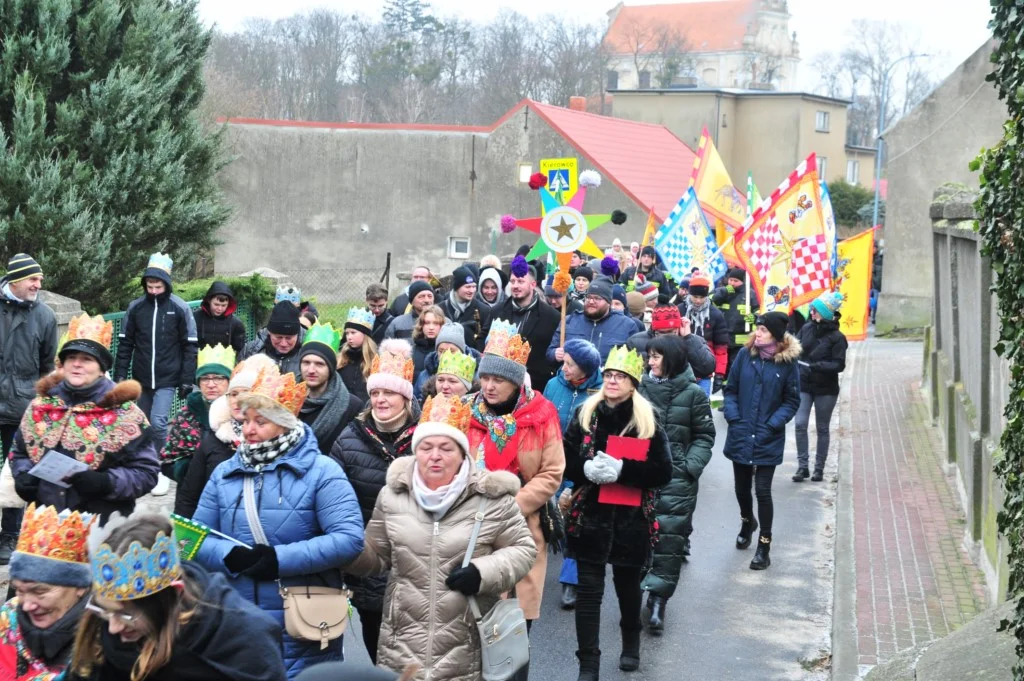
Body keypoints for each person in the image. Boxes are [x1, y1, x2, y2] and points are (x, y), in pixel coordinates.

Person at [344, 394, 536, 681]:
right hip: (403, 639)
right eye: (426, 447)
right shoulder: (393, 495)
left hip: (468, 639)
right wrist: (345, 546)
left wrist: (482, 573)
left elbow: (523, 549)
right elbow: (377, 554)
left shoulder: (491, 497)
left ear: (462, 454)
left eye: (446, 448)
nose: (435, 456)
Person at [193, 363, 365, 679]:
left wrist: (277, 560)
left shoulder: (321, 471)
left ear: (285, 424)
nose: (249, 430)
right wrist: (228, 556)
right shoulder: (225, 473)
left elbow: (349, 538)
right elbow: (193, 538)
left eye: (261, 421)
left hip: (302, 621)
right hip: (238, 618)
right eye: (245, 421)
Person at [68, 512, 287, 681]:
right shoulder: (104, 629)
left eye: (126, 615)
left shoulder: (246, 639)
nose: (113, 628)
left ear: (176, 593)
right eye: (106, 612)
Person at [562, 346, 672, 679]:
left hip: (631, 522)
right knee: (589, 594)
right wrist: (585, 469)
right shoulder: (585, 413)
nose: (612, 381)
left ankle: (630, 642)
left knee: (627, 591)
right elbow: (563, 458)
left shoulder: (646, 420)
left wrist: (624, 470)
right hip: (589, 517)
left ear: (633, 383)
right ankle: (589, 663)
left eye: (620, 376)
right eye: (609, 375)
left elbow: (663, 472)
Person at [467, 321, 563, 677]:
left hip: (521, 533)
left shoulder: (541, 415)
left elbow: (551, 473)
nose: (489, 386)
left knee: (513, 637)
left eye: (499, 380)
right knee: (471, 634)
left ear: (516, 381)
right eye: (485, 378)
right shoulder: (466, 414)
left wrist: (510, 506)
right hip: (471, 534)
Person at [11, 313, 158, 521]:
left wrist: (106, 482)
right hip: (44, 523)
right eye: (71, 358)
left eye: (87, 359)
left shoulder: (126, 414)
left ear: (101, 369)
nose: (77, 364)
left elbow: (147, 473)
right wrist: (23, 476)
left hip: (101, 525)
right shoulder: (40, 405)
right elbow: (19, 452)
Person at [329, 340, 418, 664]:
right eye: (376, 393)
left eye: (389, 393)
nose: (381, 399)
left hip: (417, 562)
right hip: (370, 562)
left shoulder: (427, 437)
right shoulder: (350, 437)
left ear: (405, 397)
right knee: (379, 652)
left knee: (415, 655)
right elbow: (334, 498)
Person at [637, 335, 715, 633]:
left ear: (671, 359)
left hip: (677, 479)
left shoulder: (694, 393)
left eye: (656, 356)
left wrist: (688, 468)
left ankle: (658, 602)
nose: (651, 361)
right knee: (639, 539)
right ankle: (636, 595)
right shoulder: (640, 389)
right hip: (641, 475)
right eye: (650, 356)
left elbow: (705, 436)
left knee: (670, 540)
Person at [724, 311, 801, 571]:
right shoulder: (746, 355)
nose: (758, 333)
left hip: (768, 434)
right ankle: (747, 521)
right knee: (741, 489)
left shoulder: (788, 363)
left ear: (776, 336)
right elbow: (731, 389)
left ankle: (764, 546)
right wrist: (734, 417)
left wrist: (773, 424)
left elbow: (792, 400)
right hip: (742, 430)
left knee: (763, 491)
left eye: (764, 330)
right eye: (757, 328)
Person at [0, 254, 57, 565]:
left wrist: (45, 407)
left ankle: (10, 535)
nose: (38, 285)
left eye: (40, 280)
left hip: (23, 406)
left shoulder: (45, 316)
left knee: (16, 473)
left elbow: (48, 367)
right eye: (33, 279)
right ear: (15, 281)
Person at [113, 252, 198, 457]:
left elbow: (190, 346)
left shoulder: (179, 307)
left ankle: (160, 461)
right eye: (150, 287)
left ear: (166, 285)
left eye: (158, 287)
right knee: (144, 422)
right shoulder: (135, 308)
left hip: (168, 377)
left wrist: (186, 379)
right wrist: (120, 376)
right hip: (142, 378)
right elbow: (125, 345)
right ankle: (147, 461)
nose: (153, 291)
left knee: (159, 423)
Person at [173, 354, 276, 519]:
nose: (238, 400)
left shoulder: (277, 441)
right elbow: (189, 496)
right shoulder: (213, 440)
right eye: (233, 394)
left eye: (246, 393)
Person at [0, 504, 95, 680]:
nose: (27, 605)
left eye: (40, 591)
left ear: (80, 586)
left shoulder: (106, 634)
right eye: (19, 590)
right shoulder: (8, 617)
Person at [542, 339, 602, 610]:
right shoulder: (553, 385)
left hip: (580, 465)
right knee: (547, 519)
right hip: (550, 461)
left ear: (586, 369)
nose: (563, 368)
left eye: (570, 364)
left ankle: (570, 580)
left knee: (574, 523)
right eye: (564, 362)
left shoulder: (599, 394)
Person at [793, 291, 848, 482]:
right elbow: (796, 348)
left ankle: (819, 469)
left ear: (824, 313)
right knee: (800, 424)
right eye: (812, 309)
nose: (812, 311)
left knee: (822, 427)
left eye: (816, 310)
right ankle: (802, 467)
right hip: (805, 385)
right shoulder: (806, 328)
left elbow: (839, 364)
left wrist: (819, 367)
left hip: (826, 389)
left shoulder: (837, 338)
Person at [160, 344, 235, 482]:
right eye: (205, 378)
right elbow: (168, 461)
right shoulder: (186, 416)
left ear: (229, 382)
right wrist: (190, 471)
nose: (211, 384)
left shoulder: (239, 414)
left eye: (218, 378)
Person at [492, 256, 560, 392]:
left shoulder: (551, 316)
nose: (515, 286)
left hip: (536, 386)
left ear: (533, 284)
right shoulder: (497, 311)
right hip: (501, 384)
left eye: (520, 281)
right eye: (512, 281)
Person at [298, 323, 363, 455]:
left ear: (331, 368)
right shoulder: (287, 400)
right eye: (306, 362)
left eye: (319, 364)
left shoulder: (351, 407)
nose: (311, 370)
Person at [550, 281, 638, 364]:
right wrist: (555, 354)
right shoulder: (570, 320)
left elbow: (634, 359)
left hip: (607, 379)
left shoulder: (627, 325)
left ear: (608, 302)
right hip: (570, 377)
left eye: (597, 298)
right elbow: (550, 352)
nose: (591, 302)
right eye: (588, 297)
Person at [625, 305, 715, 378]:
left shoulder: (692, 340)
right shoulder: (635, 342)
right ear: (654, 330)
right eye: (661, 332)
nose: (666, 336)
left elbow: (706, 368)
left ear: (678, 328)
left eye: (671, 332)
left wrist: (688, 338)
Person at [677, 273, 730, 396]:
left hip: (704, 370)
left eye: (702, 297)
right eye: (695, 296)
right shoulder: (679, 310)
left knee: (701, 410)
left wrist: (719, 374)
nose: (698, 300)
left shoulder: (715, 314)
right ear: (690, 294)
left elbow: (721, 348)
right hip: (681, 369)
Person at [712, 267, 760, 377]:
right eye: (731, 280)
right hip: (722, 337)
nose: (732, 283)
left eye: (736, 281)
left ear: (742, 282)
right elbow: (711, 302)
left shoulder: (750, 294)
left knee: (736, 367)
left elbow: (759, 311)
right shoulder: (722, 291)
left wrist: (754, 317)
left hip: (741, 341)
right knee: (722, 367)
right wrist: (723, 292)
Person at [239, 301, 307, 376]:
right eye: (279, 337)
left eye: (289, 338)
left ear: (297, 335)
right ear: (269, 333)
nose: (283, 343)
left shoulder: (308, 353)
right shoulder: (251, 351)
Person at [438, 266, 492, 351]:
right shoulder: (440, 309)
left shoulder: (484, 310)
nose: (471, 291)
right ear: (457, 288)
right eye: (467, 287)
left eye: (474, 287)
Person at [193, 281, 247, 355]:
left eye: (223, 305)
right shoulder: (195, 318)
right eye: (216, 304)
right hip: (200, 364)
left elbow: (240, 350)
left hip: (225, 364)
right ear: (209, 300)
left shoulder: (236, 324)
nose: (220, 308)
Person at [339, 307, 378, 403]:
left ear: (365, 335)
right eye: (347, 333)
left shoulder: (375, 362)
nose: (349, 337)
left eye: (353, 333)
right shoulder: (341, 360)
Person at [409, 305, 445, 378]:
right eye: (427, 323)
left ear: (442, 325)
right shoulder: (411, 351)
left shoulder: (446, 352)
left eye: (435, 323)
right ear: (421, 325)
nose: (431, 328)